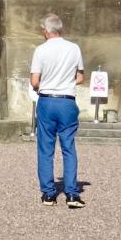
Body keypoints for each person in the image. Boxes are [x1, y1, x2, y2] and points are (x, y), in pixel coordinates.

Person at [31, 13, 85, 208]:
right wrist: (65, 82)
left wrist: (45, 84)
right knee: (68, 148)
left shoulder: (40, 50)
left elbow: (35, 81)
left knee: (46, 149)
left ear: (46, 30)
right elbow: (80, 77)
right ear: (59, 29)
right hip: (67, 101)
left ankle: (48, 194)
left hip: (47, 100)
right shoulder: (74, 48)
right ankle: (71, 194)